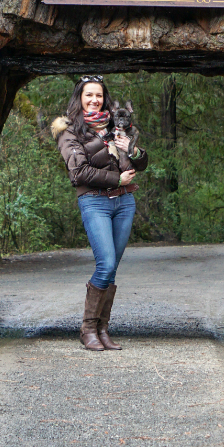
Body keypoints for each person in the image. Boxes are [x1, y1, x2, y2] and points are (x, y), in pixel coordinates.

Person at [51, 75, 148, 351]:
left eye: (99, 95)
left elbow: (140, 163)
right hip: (94, 202)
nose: (95, 100)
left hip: (124, 203)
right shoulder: (68, 130)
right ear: (79, 98)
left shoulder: (117, 123)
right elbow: (78, 172)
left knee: (112, 269)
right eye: (88, 95)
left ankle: (103, 330)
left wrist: (134, 150)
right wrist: (116, 180)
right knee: (105, 263)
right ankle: (88, 328)